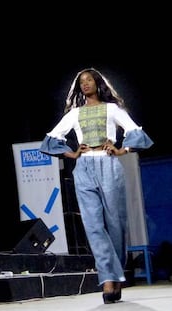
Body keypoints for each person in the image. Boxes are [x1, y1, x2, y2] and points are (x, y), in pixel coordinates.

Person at [39, 67, 154, 304]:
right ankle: (108, 278)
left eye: (89, 80)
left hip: (109, 165)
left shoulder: (112, 109)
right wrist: (71, 154)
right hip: (84, 168)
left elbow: (134, 131)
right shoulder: (74, 114)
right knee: (92, 225)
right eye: (81, 82)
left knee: (115, 224)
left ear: (97, 83)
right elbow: (52, 138)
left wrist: (123, 150)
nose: (85, 84)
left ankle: (116, 272)